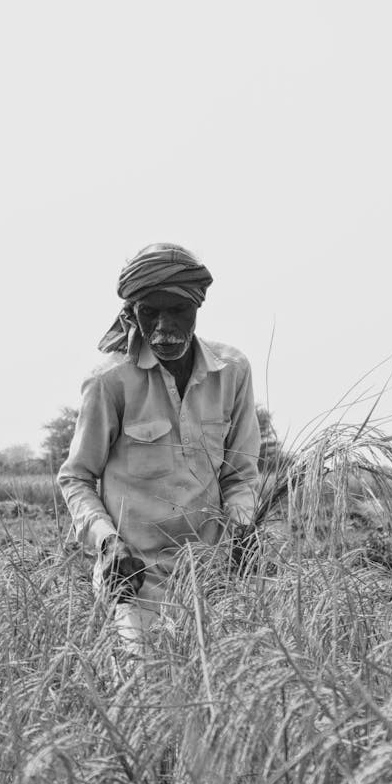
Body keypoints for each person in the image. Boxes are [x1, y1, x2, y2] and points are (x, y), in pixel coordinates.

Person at [57, 242, 261, 643]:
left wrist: (241, 527)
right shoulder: (109, 382)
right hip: (133, 579)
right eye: (151, 313)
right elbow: (77, 478)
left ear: (197, 309)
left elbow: (240, 476)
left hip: (211, 576)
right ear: (132, 313)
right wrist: (106, 542)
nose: (165, 328)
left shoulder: (232, 372)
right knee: (143, 687)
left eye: (178, 311)